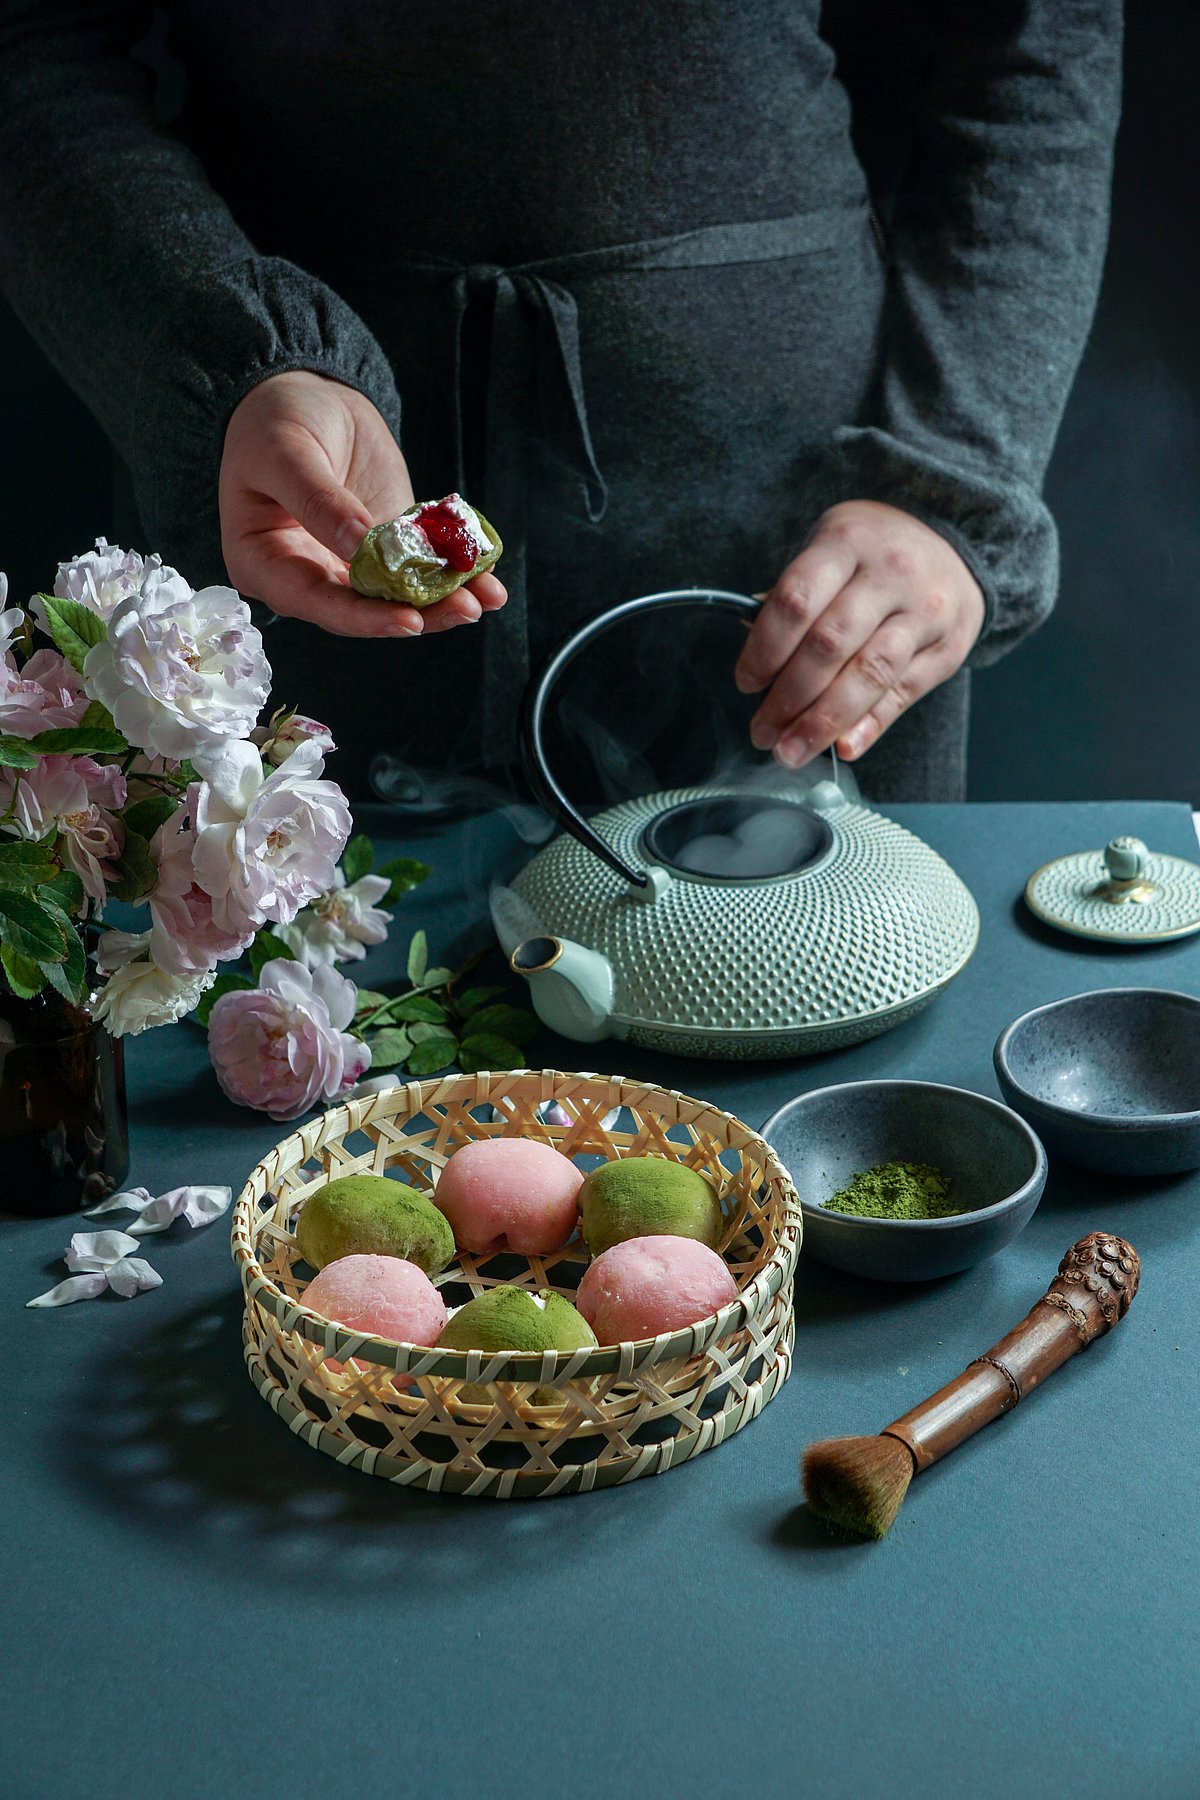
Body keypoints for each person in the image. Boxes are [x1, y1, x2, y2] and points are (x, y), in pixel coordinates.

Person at [0, 2, 1121, 802]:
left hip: (804, 561)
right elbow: (29, 40)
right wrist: (224, 349)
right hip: (289, 507)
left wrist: (952, 474)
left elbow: (1031, 40)